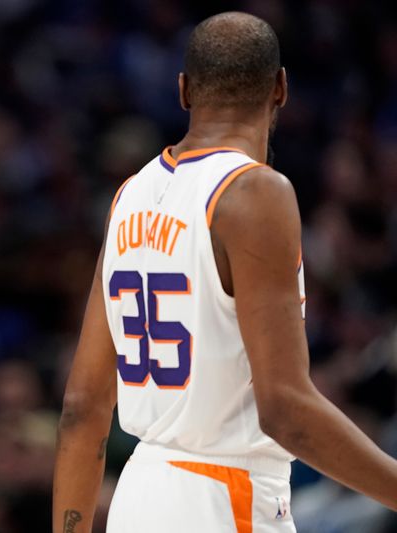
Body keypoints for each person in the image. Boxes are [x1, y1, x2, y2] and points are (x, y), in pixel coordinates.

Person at [53, 12, 397, 533]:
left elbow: (82, 407)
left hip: (138, 496)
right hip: (222, 497)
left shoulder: (129, 195)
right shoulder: (255, 191)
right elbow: (284, 409)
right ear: (280, 89)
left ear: (184, 90)